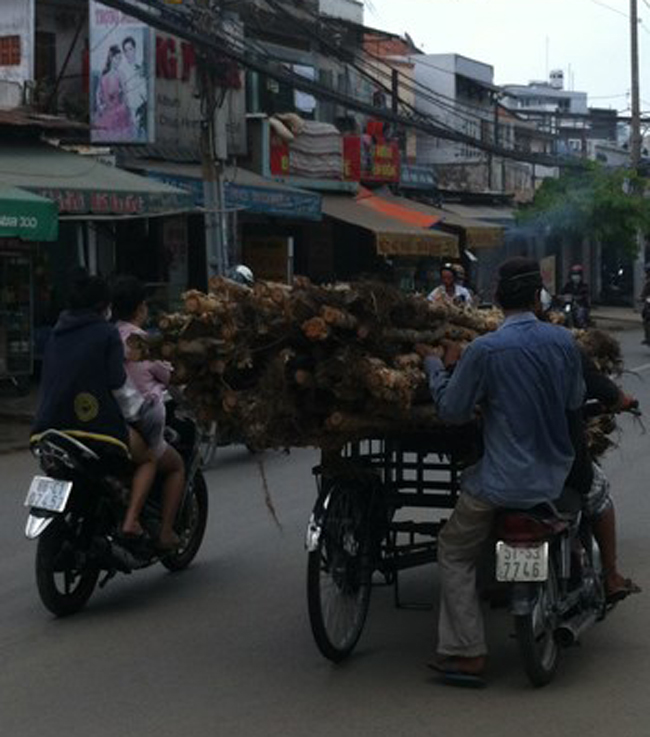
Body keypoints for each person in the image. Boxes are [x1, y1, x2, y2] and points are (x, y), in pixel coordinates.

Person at [420, 257, 585, 685]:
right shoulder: (564, 343)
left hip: (497, 483)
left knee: (455, 551)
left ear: (496, 299)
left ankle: (466, 651)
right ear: (537, 297)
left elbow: (452, 411)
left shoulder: (484, 350)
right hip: (553, 477)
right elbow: (574, 403)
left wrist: (436, 366)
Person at [31, 269, 157, 547]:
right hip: (95, 429)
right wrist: (138, 412)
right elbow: (119, 386)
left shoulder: (56, 333)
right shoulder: (106, 334)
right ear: (102, 305)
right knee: (148, 458)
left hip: (48, 426)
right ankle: (131, 521)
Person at [564, 332, 641, 604]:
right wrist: (623, 401)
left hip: (500, 471)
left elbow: (455, 406)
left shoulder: (484, 350)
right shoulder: (563, 345)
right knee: (600, 494)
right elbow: (606, 391)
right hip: (561, 465)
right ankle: (611, 577)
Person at [112, 275, 184, 551]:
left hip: (104, 419)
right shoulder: (140, 341)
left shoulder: (107, 336)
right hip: (136, 422)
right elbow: (170, 375)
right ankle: (165, 532)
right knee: (175, 465)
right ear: (141, 308)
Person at [93, 45, 133, 142]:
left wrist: (128, 109)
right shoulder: (103, 75)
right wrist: (100, 106)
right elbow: (97, 93)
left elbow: (125, 94)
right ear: (111, 57)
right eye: (117, 58)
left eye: (120, 59)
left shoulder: (121, 75)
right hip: (106, 112)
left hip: (118, 112)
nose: (118, 61)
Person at [120, 36, 147, 140]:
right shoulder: (122, 70)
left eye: (130, 49)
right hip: (130, 110)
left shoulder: (142, 66)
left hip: (143, 109)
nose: (128, 53)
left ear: (135, 49)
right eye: (125, 50)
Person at [638, 263, 650, 345]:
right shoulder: (648, 282)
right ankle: (647, 336)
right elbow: (644, 294)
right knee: (645, 315)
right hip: (649, 303)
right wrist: (642, 298)